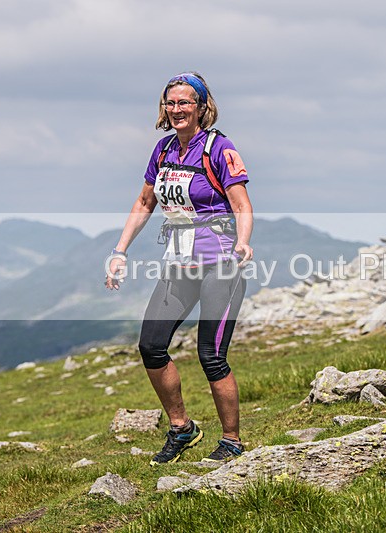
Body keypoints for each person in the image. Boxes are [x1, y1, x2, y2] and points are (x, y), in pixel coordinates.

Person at [105, 72, 254, 464]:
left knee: (211, 355)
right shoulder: (163, 150)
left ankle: (232, 441)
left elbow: (241, 204)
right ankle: (181, 428)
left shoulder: (219, 148)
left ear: (202, 107)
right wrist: (119, 251)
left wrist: (242, 242)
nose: (176, 110)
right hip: (180, 263)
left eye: (185, 102)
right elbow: (144, 203)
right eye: (170, 103)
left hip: (221, 262)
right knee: (151, 345)